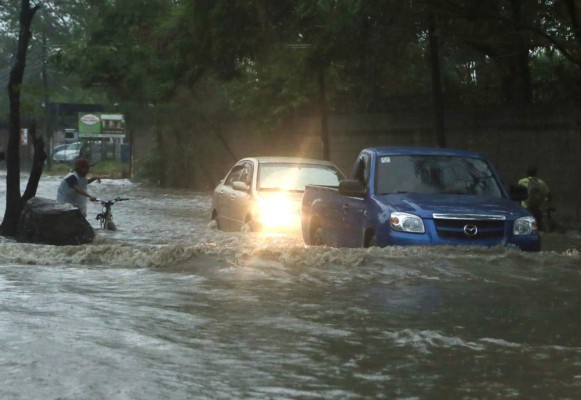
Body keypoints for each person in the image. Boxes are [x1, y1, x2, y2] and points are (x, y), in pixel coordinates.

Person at [518, 165, 551, 231]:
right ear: (536, 173)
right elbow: (548, 195)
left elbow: (518, 194)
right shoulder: (541, 183)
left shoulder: (521, 182)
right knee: (537, 229)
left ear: (527, 173)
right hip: (537, 209)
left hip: (526, 208)